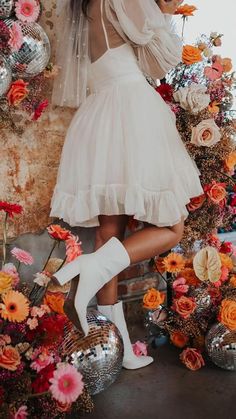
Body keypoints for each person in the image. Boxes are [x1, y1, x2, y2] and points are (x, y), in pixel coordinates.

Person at [50, 0, 203, 369]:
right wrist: (164, 10)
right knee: (172, 227)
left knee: (108, 233)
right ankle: (87, 268)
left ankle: (115, 349)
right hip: (131, 108)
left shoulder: (84, 6)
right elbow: (164, 59)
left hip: (98, 112)